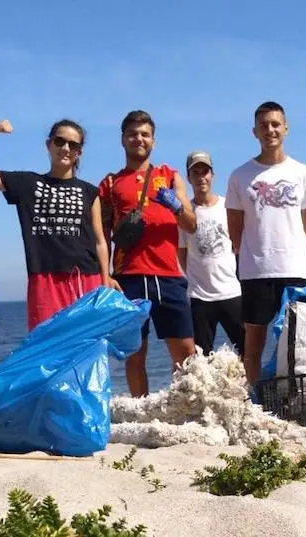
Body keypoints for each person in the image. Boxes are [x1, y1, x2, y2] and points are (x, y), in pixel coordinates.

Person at [0, 118, 115, 332]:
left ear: (79, 152)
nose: (66, 148)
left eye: (73, 145)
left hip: (87, 279)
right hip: (45, 280)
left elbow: (100, 240)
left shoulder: (90, 192)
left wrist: (106, 277)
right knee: (46, 347)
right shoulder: (28, 184)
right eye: (60, 141)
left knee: (87, 348)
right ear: (49, 145)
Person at [98, 110, 198, 397]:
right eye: (132, 134)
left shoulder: (169, 175)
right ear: (122, 140)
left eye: (144, 134)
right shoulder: (110, 183)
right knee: (135, 353)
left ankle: (185, 406)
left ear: (153, 140)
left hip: (168, 274)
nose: (138, 139)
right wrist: (104, 274)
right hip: (128, 276)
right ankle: (141, 408)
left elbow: (191, 224)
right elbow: (102, 233)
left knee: (185, 352)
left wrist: (177, 206)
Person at [225, 101, 306, 387]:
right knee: (253, 346)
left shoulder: (303, 173)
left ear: (286, 128)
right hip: (256, 270)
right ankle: (253, 402)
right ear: (255, 131)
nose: (270, 130)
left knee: (299, 345)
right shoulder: (240, 176)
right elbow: (235, 229)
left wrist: (294, 250)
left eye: (275, 124)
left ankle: (297, 399)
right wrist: (255, 254)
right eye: (264, 125)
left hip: (296, 269)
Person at [178, 150, 245, 356]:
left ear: (212, 175)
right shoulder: (185, 212)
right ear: (189, 178)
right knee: (200, 356)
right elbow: (181, 253)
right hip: (200, 297)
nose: (201, 177)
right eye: (195, 173)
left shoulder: (227, 206)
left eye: (204, 172)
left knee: (247, 349)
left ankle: (252, 388)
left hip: (231, 292)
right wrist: (191, 281)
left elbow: (239, 243)